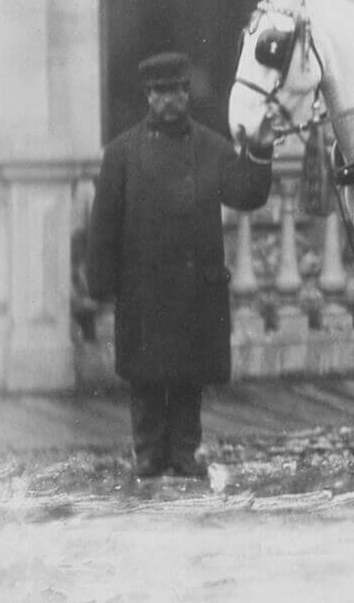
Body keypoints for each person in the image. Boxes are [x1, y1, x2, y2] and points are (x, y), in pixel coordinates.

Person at [87, 51, 274, 479]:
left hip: (195, 288)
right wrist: (101, 282)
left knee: (190, 377)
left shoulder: (210, 147)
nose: (168, 100)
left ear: (188, 93)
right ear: (147, 96)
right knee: (145, 377)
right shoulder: (122, 153)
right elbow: (104, 225)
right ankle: (149, 452)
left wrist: (261, 150)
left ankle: (186, 451)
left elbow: (246, 193)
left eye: (176, 91)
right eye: (159, 92)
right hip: (144, 288)